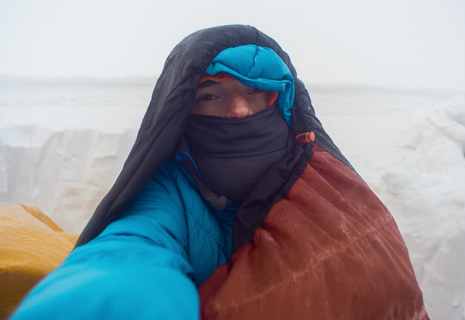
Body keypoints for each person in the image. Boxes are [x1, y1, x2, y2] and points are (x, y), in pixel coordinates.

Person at [10, 25, 429, 320]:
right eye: (211, 95)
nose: (239, 110)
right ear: (181, 113)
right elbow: (131, 253)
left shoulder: (323, 181)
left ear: (283, 104)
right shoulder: (168, 194)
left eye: (254, 92)